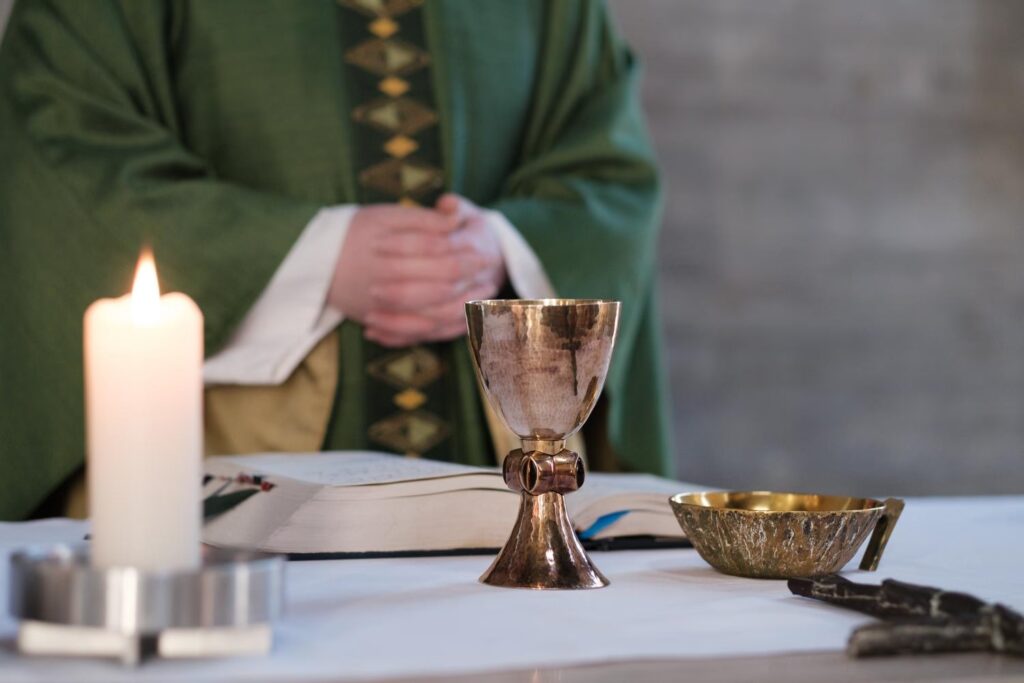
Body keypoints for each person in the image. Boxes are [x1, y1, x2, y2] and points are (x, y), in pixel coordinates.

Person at [0, 0, 673, 520]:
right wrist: (314, 256)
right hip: (223, 481)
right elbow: (61, 137)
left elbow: (608, 171)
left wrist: (498, 249)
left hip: (497, 481)